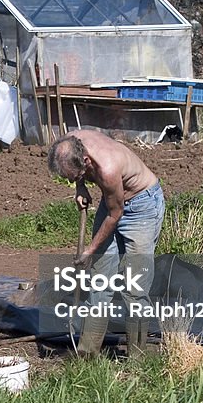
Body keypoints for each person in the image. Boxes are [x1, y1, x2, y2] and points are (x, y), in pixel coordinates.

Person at [47, 130, 165, 357]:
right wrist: (80, 186)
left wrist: (90, 250)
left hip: (142, 207)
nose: (73, 180)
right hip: (114, 202)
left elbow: (115, 215)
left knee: (135, 287)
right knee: (100, 281)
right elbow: (79, 175)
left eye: (76, 175)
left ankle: (138, 356)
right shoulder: (69, 141)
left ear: (86, 160)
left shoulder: (108, 168)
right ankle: (87, 352)